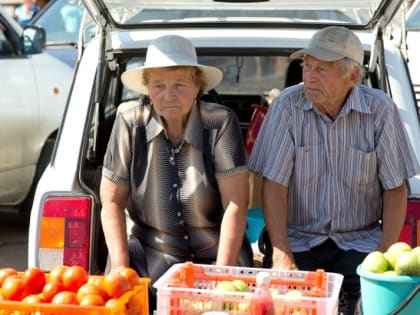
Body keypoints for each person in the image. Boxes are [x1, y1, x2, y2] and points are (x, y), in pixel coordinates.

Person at [248, 26, 420, 315]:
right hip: (297, 239)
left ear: (352, 76)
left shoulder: (381, 110)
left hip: (361, 242)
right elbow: (274, 185)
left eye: (322, 70)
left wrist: (383, 254)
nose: (310, 77)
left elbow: (395, 188)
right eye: (308, 67)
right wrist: (281, 254)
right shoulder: (286, 106)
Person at [100, 34, 253, 309]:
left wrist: (222, 275)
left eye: (180, 85)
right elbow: (111, 201)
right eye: (158, 85)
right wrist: (121, 270)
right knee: (118, 297)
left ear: (198, 87)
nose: (168, 95)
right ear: (147, 89)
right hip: (150, 252)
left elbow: (236, 203)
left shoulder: (219, 122)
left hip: (217, 250)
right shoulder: (129, 122)